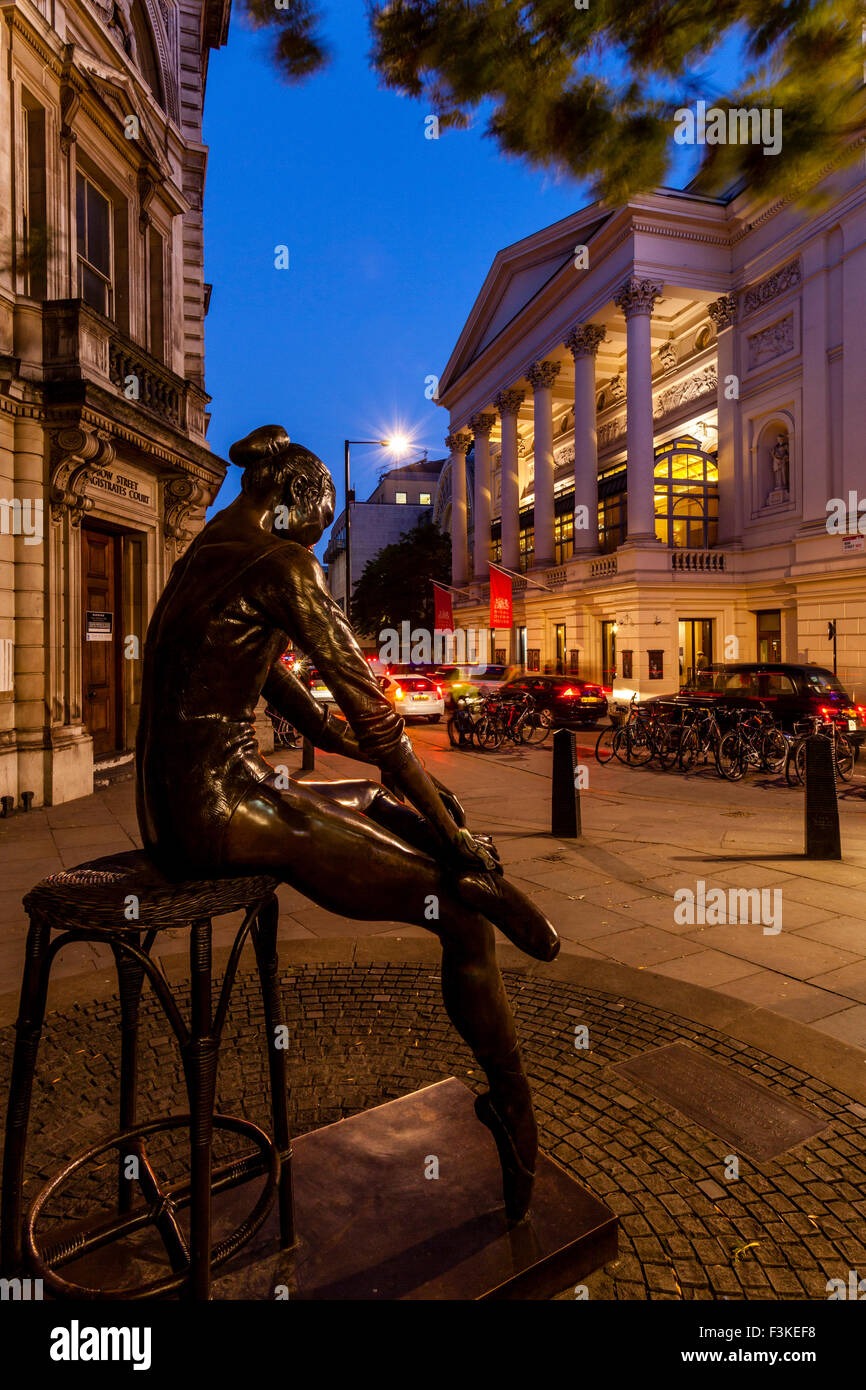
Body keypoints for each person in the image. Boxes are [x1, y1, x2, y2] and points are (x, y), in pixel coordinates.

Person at [136, 424, 559, 1223]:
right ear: (294, 503)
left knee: (367, 800)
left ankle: (457, 852)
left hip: (184, 802)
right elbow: (376, 722)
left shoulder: (205, 557)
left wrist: (416, 801)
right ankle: (508, 1089)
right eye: (320, 528)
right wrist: (444, 815)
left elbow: (304, 712)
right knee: (459, 916)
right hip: (216, 812)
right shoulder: (281, 565)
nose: (317, 541)